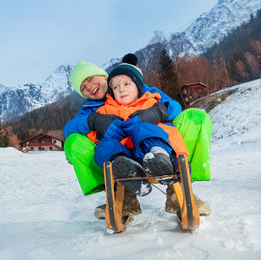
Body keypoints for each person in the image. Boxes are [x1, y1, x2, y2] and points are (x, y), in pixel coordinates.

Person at [64, 54, 212, 219]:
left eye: (91, 79)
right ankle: (121, 196)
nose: (90, 87)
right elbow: (68, 129)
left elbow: (175, 107)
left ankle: (180, 191)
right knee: (76, 143)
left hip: (153, 139)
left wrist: (155, 112)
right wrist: (93, 120)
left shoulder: (138, 88)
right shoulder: (91, 108)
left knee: (196, 117)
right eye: (83, 87)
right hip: (122, 148)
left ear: (104, 75)